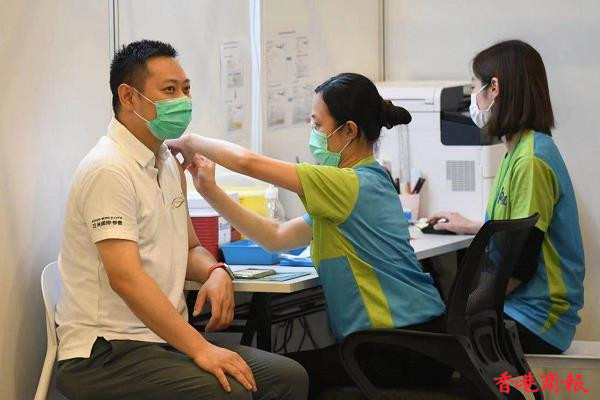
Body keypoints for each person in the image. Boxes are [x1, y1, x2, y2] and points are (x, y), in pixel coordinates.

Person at [168, 72, 450, 397]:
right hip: (420, 344)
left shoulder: (348, 183)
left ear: (349, 131)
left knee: (275, 377)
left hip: (398, 348)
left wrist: (190, 142)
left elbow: (246, 162)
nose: (313, 133)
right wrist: (210, 190)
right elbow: (276, 237)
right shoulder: (363, 183)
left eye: (317, 125)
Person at [54, 39, 308, 400]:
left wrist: (215, 271)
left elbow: (189, 248)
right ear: (128, 97)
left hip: (161, 342)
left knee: (288, 377)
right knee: (231, 392)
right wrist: (200, 348)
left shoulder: (167, 163)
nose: (183, 101)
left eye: (186, 89)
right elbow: (125, 278)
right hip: (105, 352)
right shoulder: (108, 169)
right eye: (170, 90)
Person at [428, 40, 584, 354]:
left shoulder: (531, 160)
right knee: (436, 329)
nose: (474, 99)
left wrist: (466, 309)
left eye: (475, 87)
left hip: (536, 318)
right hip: (521, 307)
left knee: (434, 339)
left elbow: (521, 263)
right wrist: (472, 226)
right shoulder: (518, 150)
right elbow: (518, 228)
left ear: (494, 88)